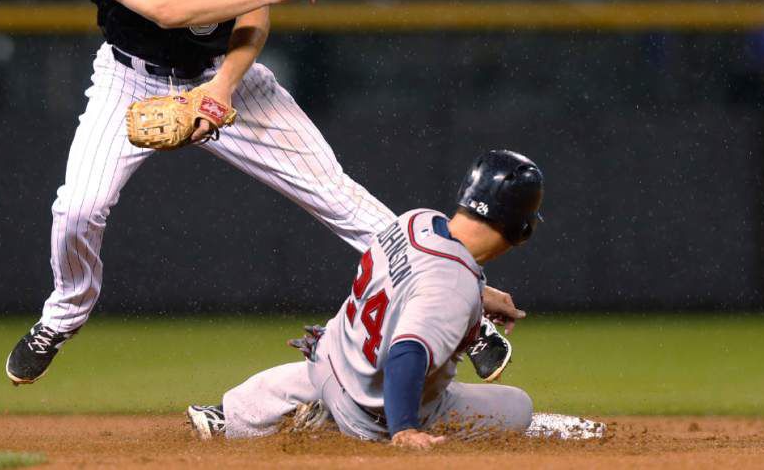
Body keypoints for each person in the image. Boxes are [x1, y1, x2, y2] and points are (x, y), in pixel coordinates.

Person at [3, 0, 400, 385]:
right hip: (129, 81)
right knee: (78, 207)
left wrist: (224, 86)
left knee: (339, 197)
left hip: (224, 75)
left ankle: (463, 313)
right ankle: (62, 316)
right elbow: (164, 8)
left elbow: (252, 21)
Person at [188, 151, 602, 446]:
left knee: (329, 362)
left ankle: (231, 414)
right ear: (520, 228)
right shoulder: (453, 285)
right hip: (376, 411)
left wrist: (476, 291)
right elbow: (407, 352)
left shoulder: (415, 220)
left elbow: (421, 281)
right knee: (518, 406)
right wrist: (405, 428)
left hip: (331, 361)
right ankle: (338, 427)